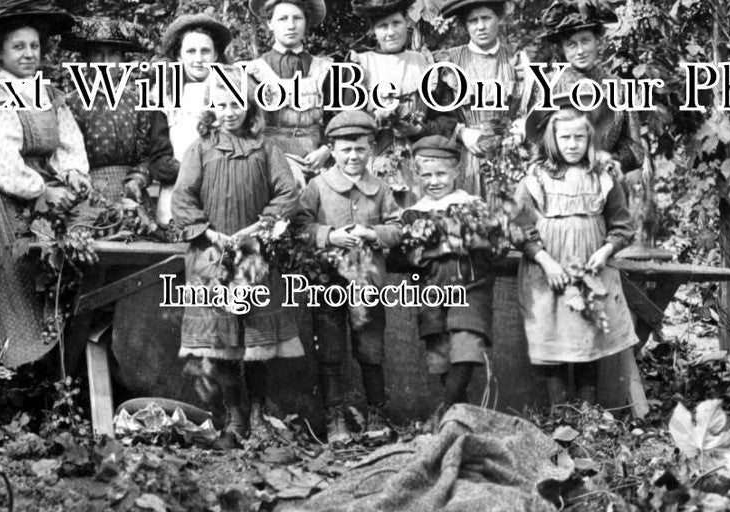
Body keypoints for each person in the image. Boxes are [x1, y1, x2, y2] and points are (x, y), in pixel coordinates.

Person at [171, 72, 302, 441]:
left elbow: (287, 194)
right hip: (211, 253)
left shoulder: (265, 148)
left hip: (252, 254)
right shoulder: (199, 148)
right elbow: (183, 198)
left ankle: (259, 412)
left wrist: (257, 228)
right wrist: (209, 233)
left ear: (250, 108)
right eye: (221, 104)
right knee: (222, 339)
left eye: (236, 105)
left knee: (255, 341)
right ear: (212, 107)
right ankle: (234, 417)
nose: (229, 112)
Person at [0, 0, 91, 369]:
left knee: (60, 276)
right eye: (18, 47)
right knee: (19, 282)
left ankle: (61, 366)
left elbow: (69, 143)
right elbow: (1, 159)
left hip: (52, 190)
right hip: (9, 196)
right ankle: (25, 366)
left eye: (34, 46)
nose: (28, 54)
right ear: (0, 52)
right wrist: (40, 191)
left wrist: (73, 176)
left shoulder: (49, 93)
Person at [515, 107, 638, 406]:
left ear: (589, 139)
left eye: (579, 138)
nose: (572, 145)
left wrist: (605, 251)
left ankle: (586, 414)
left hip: (590, 271)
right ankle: (561, 414)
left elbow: (623, 226)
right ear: (552, 139)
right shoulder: (536, 177)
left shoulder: (602, 178)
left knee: (587, 340)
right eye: (565, 138)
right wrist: (545, 261)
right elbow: (519, 227)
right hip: (549, 273)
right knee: (553, 339)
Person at [295, 111, 402, 447]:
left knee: (371, 349)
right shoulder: (318, 186)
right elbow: (299, 226)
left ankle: (376, 413)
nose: (353, 157)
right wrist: (329, 236)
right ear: (332, 150)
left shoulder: (380, 188)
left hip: (367, 283)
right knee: (330, 351)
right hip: (327, 282)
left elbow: (399, 227)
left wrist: (373, 233)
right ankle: (334, 416)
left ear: (371, 149)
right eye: (345, 150)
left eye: (360, 149)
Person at [402, 135, 495, 413]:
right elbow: (413, 253)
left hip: (470, 287)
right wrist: (445, 245)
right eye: (426, 175)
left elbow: (487, 242)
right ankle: (460, 413)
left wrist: (470, 241)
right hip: (433, 290)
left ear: (456, 171)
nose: (434, 181)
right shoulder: (414, 214)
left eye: (441, 173)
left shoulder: (472, 205)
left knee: (466, 346)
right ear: (417, 176)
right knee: (441, 353)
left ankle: (447, 408)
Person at [349, 0, 455, 205]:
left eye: (396, 23)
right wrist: (375, 120)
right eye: (382, 26)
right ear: (373, 31)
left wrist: (420, 129)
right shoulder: (360, 64)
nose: (390, 32)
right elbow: (347, 122)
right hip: (375, 160)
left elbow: (445, 118)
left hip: (420, 161)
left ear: (406, 23)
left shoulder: (423, 63)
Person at [61, 22, 174, 206]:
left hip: (132, 193)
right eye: (98, 54)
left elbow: (148, 155)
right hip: (88, 192)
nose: (105, 62)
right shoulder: (71, 104)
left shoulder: (139, 102)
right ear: (87, 59)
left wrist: (137, 179)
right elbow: (65, 154)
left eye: (112, 54)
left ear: (122, 61)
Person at [434, 0, 530, 200]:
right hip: (467, 155)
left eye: (486, 18)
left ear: (499, 19)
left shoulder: (516, 58)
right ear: (465, 26)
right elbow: (435, 114)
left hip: (510, 154)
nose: (480, 26)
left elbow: (533, 105)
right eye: (472, 21)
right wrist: (461, 132)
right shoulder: (449, 61)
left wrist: (520, 128)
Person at [535, 0, 644, 173]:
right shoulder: (549, 85)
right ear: (562, 49)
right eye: (571, 45)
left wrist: (614, 162)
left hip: (609, 180)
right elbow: (539, 145)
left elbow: (636, 149)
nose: (580, 51)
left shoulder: (619, 86)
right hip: (562, 183)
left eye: (585, 41)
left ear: (597, 41)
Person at [245, 0, 334, 186]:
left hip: (318, 159)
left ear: (307, 22)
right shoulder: (255, 71)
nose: (291, 25)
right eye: (283, 19)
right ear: (269, 23)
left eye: (297, 18)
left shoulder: (325, 68)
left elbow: (338, 119)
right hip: (271, 160)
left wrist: (326, 150)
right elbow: (247, 124)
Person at [152, 13, 232, 225]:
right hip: (178, 185)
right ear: (179, 57)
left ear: (215, 55)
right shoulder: (165, 94)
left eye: (205, 51)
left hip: (225, 185)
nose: (198, 59)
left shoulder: (230, 90)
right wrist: (190, 174)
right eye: (191, 51)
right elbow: (158, 156)